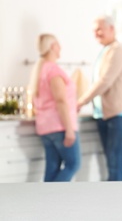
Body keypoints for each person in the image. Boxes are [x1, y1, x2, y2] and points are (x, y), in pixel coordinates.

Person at [77, 16, 122, 181]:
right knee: (114, 162)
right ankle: (120, 201)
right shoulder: (106, 50)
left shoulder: (117, 50)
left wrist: (81, 101)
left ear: (112, 29)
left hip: (118, 113)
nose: (96, 33)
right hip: (106, 114)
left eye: (99, 29)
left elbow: (105, 81)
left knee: (115, 163)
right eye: (94, 30)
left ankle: (117, 203)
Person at [30, 34, 81, 182]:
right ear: (52, 47)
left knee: (52, 169)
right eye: (58, 45)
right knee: (73, 164)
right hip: (60, 126)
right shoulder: (53, 70)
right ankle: (51, 199)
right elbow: (60, 101)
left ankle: (46, 203)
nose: (61, 48)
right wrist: (69, 129)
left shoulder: (40, 70)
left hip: (45, 127)